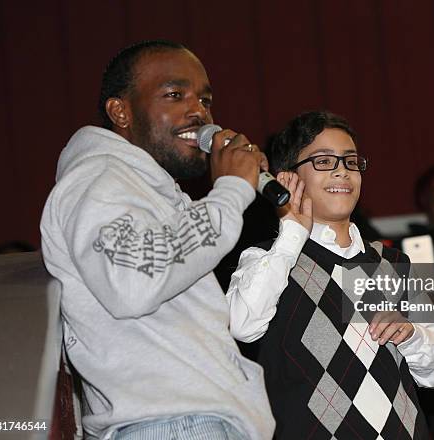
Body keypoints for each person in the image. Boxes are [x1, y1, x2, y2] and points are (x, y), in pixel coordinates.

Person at [40, 40, 274, 440]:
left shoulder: (145, 191)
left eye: (205, 98)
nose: (198, 110)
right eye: (174, 94)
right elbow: (135, 280)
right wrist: (232, 190)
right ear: (121, 111)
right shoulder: (100, 181)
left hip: (189, 420)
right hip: (172, 424)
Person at [226, 111, 434, 439]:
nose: (342, 171)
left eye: (350, 161)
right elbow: (242, 326)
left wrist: (411, 334)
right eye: (324, 161)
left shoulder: (394, 263)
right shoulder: (268, 259)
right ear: (287, 177)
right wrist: (291, 234)